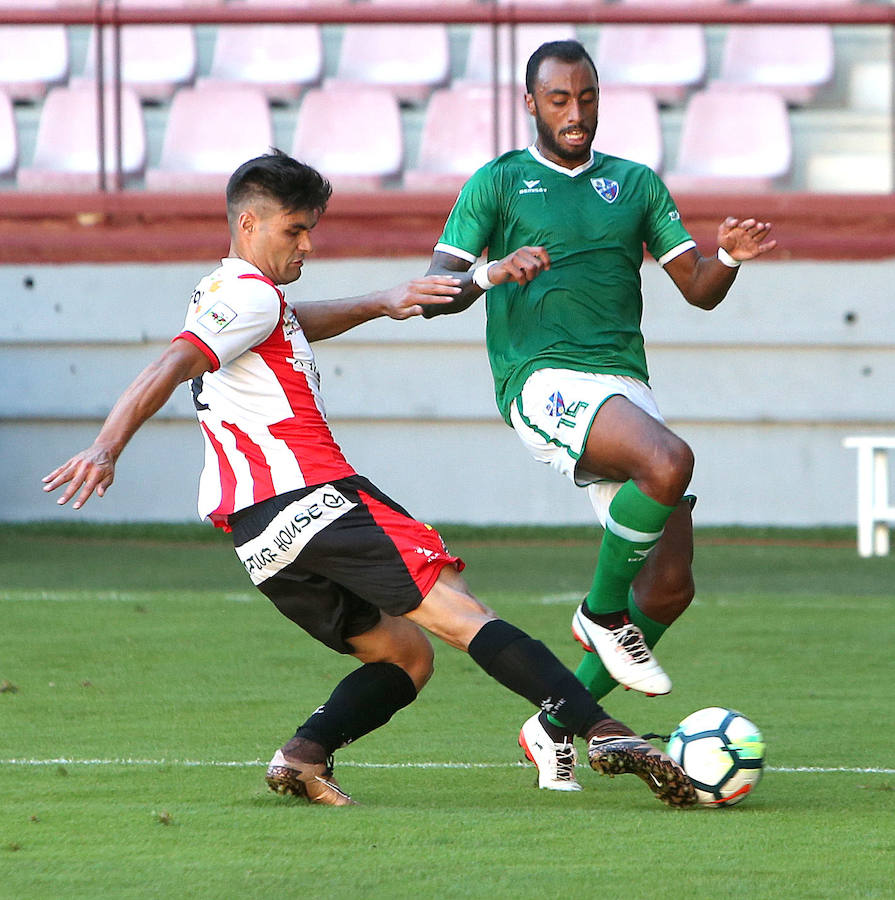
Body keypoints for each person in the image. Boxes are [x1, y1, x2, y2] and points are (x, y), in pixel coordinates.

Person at [42, 149, 696, 808]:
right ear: (247, 226)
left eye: (310, 231)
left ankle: (302, 755)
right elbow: (172, 364)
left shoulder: (235, 295)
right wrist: (106, 446)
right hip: (315, 498)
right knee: (464, 615)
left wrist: (384, 300)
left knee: (405, 656)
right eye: (293, 231)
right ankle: (601, 730)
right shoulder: (244, 294)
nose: (306, 246)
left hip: (258, 537)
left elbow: (291, 323)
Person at [422, 41, 777, 791]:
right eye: (558, 100)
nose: (574, 113)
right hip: (540, 379)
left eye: (585, 98)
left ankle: (551, 723)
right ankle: (598, 612)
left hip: (622, 386)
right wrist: (494, 269)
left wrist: (731, 259)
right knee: (669, 460)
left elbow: (698, 289)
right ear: (530, 103)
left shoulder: (635, 184)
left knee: (671, 587)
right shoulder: (498, 183)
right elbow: (435, 291)